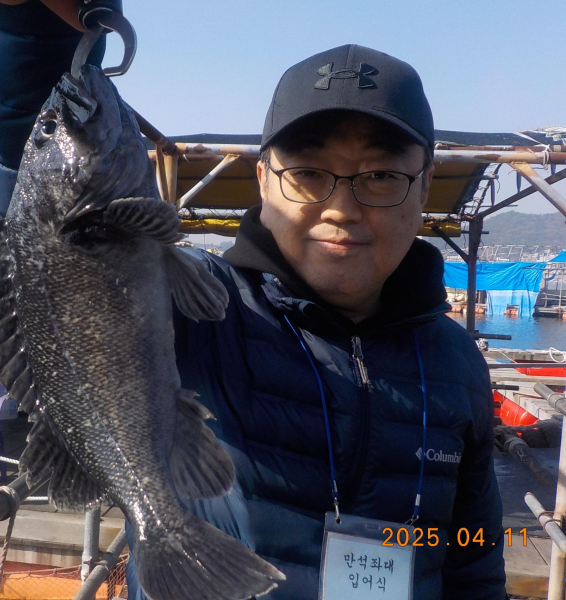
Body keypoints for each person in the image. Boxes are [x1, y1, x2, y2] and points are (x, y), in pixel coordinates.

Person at [121, 44, 505, 599]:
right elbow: (62, 242)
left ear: (424, 186)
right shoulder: (192, 307)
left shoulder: (457, 360)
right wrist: (28, 33)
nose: (341, 209)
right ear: (263, 179)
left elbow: (473, 560)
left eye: (381, 175)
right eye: (306, 173)